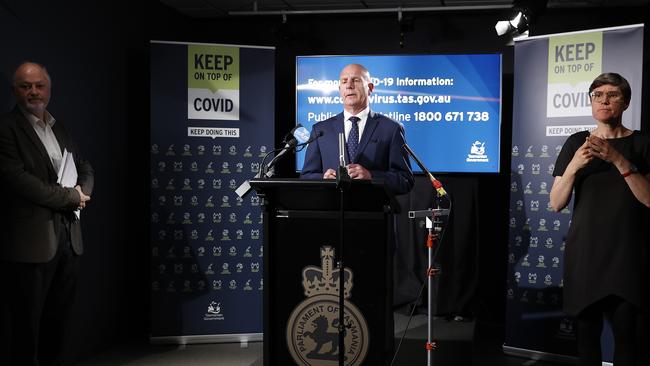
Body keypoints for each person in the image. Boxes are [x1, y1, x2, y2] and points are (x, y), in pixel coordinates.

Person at [550, 72, 650, 365]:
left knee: (627, 337)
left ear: (626, 102)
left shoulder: (643, 144)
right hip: (587, 255)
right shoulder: (576, 143)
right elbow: (556, 202)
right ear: (591, 102)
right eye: (598, 95)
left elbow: (648, 198)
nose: (604, 100)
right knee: (587, 339)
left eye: (613, 95)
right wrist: (574, 166)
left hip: (627, 255)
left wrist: (617, 159)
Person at [0, 61, 94, 365]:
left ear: (49, 90)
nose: (33, 92)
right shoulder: (6, 129)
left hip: (68, 239)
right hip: (31, 247)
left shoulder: (59, 128)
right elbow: (21, 182)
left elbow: (85, 167)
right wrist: (71, 197)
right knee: (25, 331)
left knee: (59, 323)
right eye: (25, 86)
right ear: (15, 91)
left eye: (39, 85)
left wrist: (84, 193)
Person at [300, 63, 414, 195]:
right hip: (332, 211)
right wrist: (323, 179)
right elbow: (307, 176)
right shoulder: (320, 130)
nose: (349, 85)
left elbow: (405, 180)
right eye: (344, 81)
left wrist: (371, 176)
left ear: (370, 88)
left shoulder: (391, 129)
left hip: (373, 213)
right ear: (340, 90)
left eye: (356, 80)